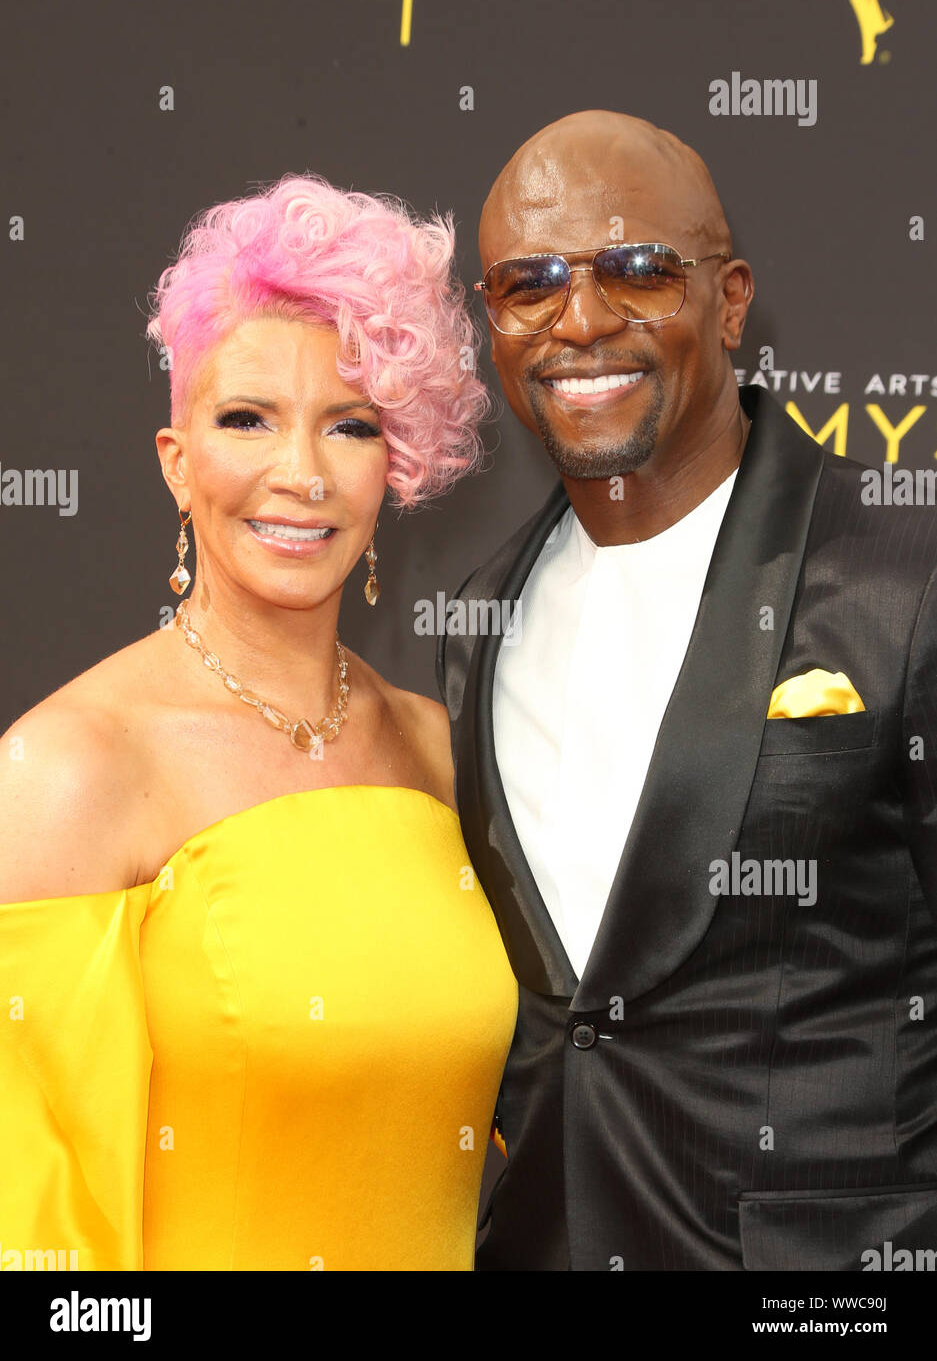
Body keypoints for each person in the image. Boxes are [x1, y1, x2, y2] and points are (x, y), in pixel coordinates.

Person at [437, 109, 937, 1271]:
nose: (581, 320)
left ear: (730, 298)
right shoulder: (476, 618)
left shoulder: (902, 575)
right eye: (530, 285)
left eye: (637, 271)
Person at [0, 174, 517, 1271]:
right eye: (247, 419)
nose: (300, 474)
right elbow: (32, 1230)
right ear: (175, 464)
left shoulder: (436, 747)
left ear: (398, 466)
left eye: (350, 426)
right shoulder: (65, 769)